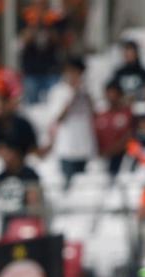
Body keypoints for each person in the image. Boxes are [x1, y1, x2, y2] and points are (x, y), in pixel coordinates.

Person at [46, 57, 96, 186]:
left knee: (86, 189)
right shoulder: (58, 91)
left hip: (85, 148)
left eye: (78, 73)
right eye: (71, 72)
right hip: (67, 149)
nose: (74, 76)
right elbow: (58, 118)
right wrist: (72, 95)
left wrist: (85, 93)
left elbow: (95, 114)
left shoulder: (87, 91)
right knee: (68, 188)